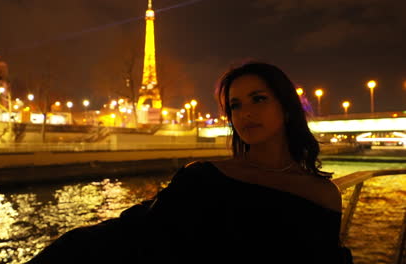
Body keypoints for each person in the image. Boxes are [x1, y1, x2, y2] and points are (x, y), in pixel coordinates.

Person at [26, 60, 353, 264]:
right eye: (235, 105)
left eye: (259, 99)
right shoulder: (204, 178)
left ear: (286, 107)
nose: (245, 113)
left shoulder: (324, 194)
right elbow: (129, 232)